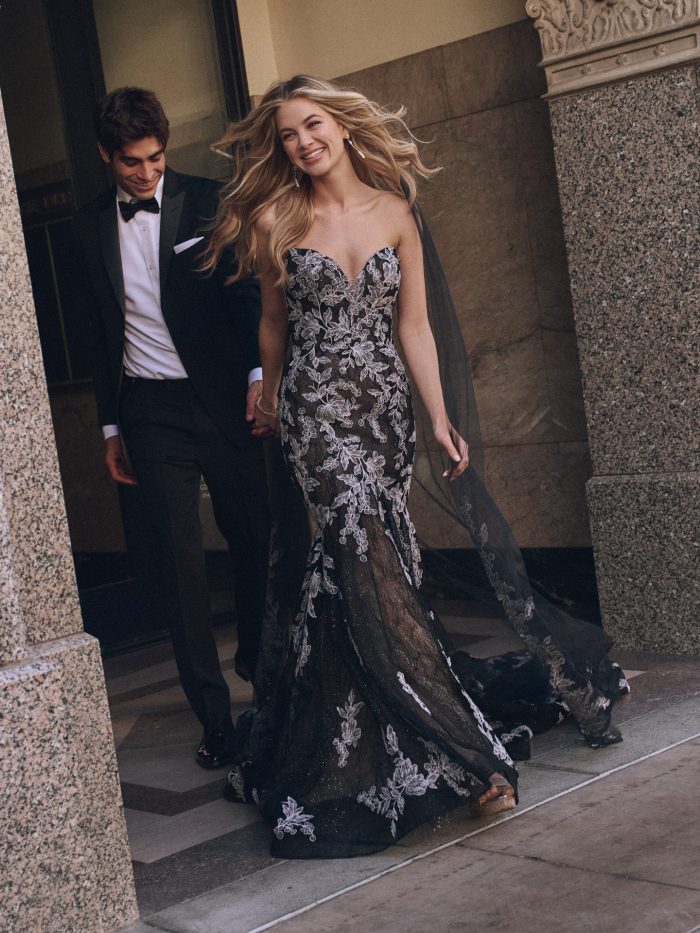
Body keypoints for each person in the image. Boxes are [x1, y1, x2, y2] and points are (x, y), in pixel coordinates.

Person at [205, 75, 626, 859]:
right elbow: (272, 322)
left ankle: (357, 728)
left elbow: (416, 327)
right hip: (316, 410)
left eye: (313, 124)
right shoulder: (273, 219)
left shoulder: (397, 211)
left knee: (371, 570)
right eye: (288, 133)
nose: (302, 141)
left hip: (386, 413)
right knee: (357, 545)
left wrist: (436, 417)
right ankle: (464, 753)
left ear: (342, 125)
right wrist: (269, 393)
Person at [73, 87, 270, 769]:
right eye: (131, 162)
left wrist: (258, 377)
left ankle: (259, 664)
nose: (146, 172)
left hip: (223, 398)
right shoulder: (88, 226)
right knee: (180, 564)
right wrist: (110, 427)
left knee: (253, 536)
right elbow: (98, 332)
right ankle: (214, 720)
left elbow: (246, 292)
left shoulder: (210, 200)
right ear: (106, 155)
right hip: (150, 412)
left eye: (155, 158)